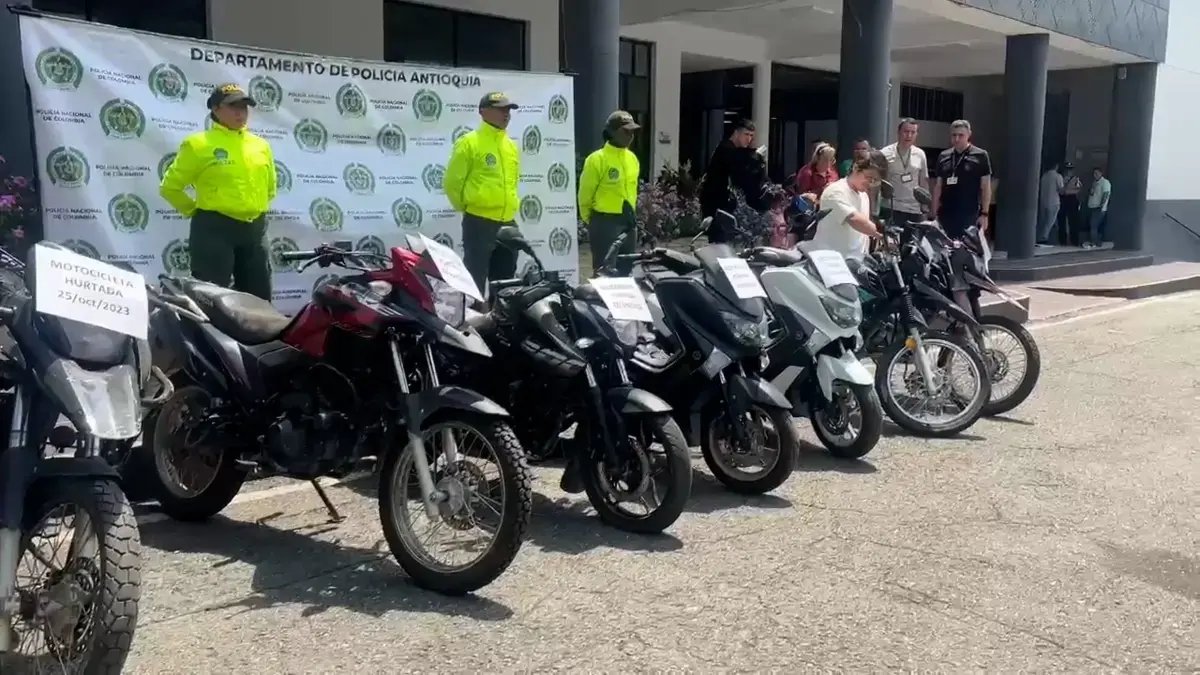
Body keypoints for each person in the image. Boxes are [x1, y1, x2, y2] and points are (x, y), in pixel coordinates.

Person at [160, 83, 276, 300]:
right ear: (215, 109)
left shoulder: (260, 145)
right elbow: (170, 187)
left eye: (244, 106)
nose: (240, 112)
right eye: (233, 106)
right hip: (215, 230)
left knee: (260, 300)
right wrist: (195, 211)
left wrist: (252, 207)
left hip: (255, 230)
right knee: (211, 299)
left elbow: (270, 187)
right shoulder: (198, 144)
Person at [444, 92, 521, 294]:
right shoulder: (469, 142)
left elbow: (513, 183)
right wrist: (471, 207)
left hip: (507, 221)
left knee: (506, 282)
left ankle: (501, 323)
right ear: (483, 112)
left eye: (508, 110)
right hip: (479, 222)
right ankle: (472, 322)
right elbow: (452, 183)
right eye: (500, 109)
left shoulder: (511, 146)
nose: (506, 114)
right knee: (473, 280)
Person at [578, 111, 640, 275]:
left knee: (626, 271)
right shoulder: (597, 159)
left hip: (628, 222)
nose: (630, 135)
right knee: (604, 273)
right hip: (605, 223)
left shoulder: (632, 158)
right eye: (625, 131)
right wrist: (591, 221)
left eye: (632, 131)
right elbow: (585, 195)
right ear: (611, 132)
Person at [801, 155, 884, 261]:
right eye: (869, 177)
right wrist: (882, 235)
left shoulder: (863, 195)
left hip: (856, 263)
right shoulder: (836, 191)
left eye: (875, 180)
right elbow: (855, 219)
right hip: (831, 263)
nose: (871, 183)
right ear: (856, 168)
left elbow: (863, 231)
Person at [698, 119, 765, 242]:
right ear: (736, 133)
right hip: (716, 203)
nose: (749, 139)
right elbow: (739, 167)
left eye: (751, 136)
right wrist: (756, 158)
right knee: (719, 240)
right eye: (746, 134)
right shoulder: (726, 149)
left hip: (724, 203)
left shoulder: (734, 151)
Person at [931, 120, 992, 239]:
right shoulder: (943, 156)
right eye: (954, 135)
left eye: (961, 135)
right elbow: (938, 186)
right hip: (946, 213)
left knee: (965, 252)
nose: (957, 139)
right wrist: (934, 212)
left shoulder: (981, 155)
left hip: (969, 214)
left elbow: (986, 187)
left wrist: (985, 214)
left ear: (969, 135)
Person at [880, 118, 929, 226]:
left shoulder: (920, 154)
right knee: (891, 242)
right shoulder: (885, 153)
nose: (909, 136)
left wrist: (924, 207)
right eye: (906, 132)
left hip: (914, 210)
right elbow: (877, 182)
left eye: (913, 132)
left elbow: (923, 182)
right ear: (899, 132)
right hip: (891, 208)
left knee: (912, 243)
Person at [1037, 162, 1064, 246]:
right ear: (1056, 166)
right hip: (1054, 202)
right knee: (1050, 221)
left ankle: (1049, 239)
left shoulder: (1044, 176)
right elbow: (1061, 191)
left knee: (1044, 221)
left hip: (1043, 202)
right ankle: (1044, 238)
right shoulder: (1057, 176)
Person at [1084, 166, 1112, 249]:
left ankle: (1095, 242)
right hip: (1092, 206)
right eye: (1094, 173)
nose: (1095, 175)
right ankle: (1095, 241)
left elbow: (1106, 194)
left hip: (1099, 208)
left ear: (1101, 173)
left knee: (1094, 225)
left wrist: (1101, 205)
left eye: (1096, 173)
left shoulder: (1105, 182)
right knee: (1093, 225)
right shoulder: (1095, 183)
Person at [1059, 162, 1083, 245]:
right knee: (1061, 221)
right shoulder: (1060, 178)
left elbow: (1078, 189)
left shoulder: (1075, 179)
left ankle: (1075, 241)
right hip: (1063, 200)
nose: (1069, 171)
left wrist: (1067, 191)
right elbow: (1061, 191)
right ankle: (1062, 241)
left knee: (1073, 221)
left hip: (1072, 200)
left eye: (1070, 169)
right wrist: (1066, 191)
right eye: (1067, 169)